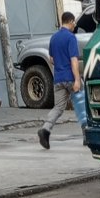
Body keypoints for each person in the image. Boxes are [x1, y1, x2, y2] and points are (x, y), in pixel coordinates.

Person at [37, 11, 84, 149]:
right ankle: (86, 135)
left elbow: (51, 59)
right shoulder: (71, 38)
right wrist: (77, 79)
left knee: (58, 108)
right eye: (74, 22)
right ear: (70, 22)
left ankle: (45, 130)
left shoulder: (54, 38)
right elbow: (74, 60)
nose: (75, 25)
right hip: (70, 77)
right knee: (81, 105)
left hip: (58, 79)